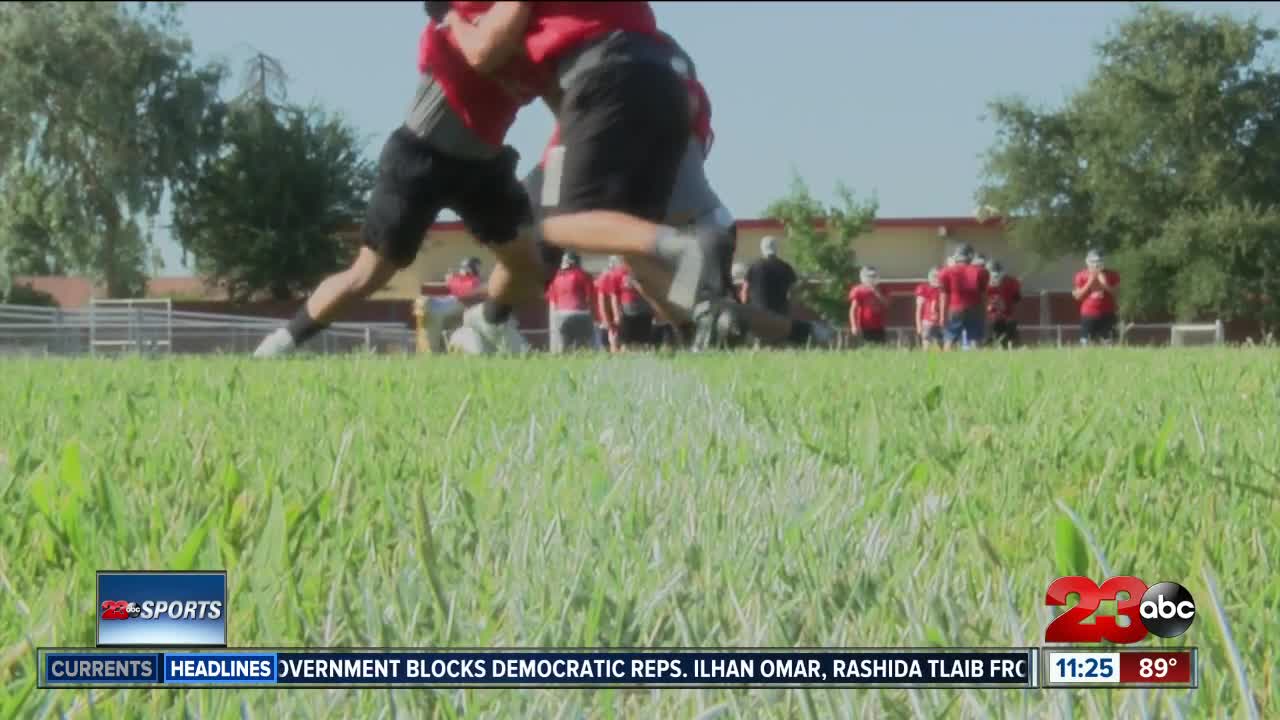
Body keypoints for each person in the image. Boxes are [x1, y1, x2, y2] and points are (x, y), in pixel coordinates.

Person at [253, 4, 544, 358]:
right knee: (368, 274)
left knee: (528, 261)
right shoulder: (466, 20)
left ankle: (491, 320)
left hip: (483, 167)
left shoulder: (545, 34)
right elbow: (474, 51)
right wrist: (452, 16)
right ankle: (282, 344)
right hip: (421, 157)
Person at [445, 1, 733, 344]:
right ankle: (701, 323)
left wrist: (447, 16)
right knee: (640, 261)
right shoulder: (660, 51)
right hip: (697, 207)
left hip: (615, 114)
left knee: (540, 223)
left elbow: (484, 53)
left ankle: (491, 319)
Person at [419, 256, 488, 352]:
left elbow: (464, 291)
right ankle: (435, 348)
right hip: (450, 302)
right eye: (464, 268)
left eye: (466, 268)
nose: (464, 271)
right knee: (433, 309)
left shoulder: (473, 281)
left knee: (434, 310)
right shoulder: (459, 279)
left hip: (458, 303)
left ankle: (435, 348)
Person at [937, 244, 990, 350]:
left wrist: (942, 316)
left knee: (950, 338)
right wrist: (985, 312)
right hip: (975, 307)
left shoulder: (946, 272)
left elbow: (944, 295)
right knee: (975, 338)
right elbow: (984, 295)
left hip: (955, 308)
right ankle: (977, 363)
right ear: (971, 256)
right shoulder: (981, 272)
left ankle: (944, 362)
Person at [545, 251, 596, 352]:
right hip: (581, 313)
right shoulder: (584, 275)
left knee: (564, 347)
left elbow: (553, 302)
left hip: (561, 314)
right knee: (583, 347)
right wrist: (595, 317)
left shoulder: (554, 277)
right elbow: (590, 298)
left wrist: (554, 322)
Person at [1073, 249, 1120, 345]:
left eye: (1098, 261)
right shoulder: (1081, 275)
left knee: (1109, 341)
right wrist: (1090, 282)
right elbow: (1077, 296)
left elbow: (1117, 293)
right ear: (1088, 262)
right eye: (1093, 262)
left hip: (1108, 312)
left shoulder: (1111, 274)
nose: (1096, 265)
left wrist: (1105, 284)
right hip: (1088, 314)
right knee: (1086, 342)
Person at [608, 262, 655, 351]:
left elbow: (653, 292)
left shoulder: (646, 271)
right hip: (627, 312)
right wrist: (616, 314)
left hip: (644, 312)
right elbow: (614, 296)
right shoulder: (618, 273)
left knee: (642, 343)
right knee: (625, 343)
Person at [848, 266, 889, 345]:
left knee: (881, 348)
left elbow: (886, 304)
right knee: (867, 347)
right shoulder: (858, 290)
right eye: (870, 276)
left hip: (879, 325)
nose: (872, 278)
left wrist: (877, 292)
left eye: (874, 276)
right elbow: (853, 309)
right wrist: (853, 325)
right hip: (864, 325)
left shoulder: (882, 288)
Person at [986, 260, 1022, 348]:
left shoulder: (984, 283)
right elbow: (1017, 299)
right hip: (1007, 318)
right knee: (1011, 344)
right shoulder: (1012, 282)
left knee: (989, 344)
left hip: (991, 320)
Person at [915, 268, 943, 349]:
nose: (936, 279)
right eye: (934, 276)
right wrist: (919, 326)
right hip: (927, 322)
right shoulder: (923, 288)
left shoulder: (943, 290)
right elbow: (918, 309)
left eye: (938, 276)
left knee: (941, 347)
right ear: (929, 277)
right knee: (926, 346)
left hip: (940, 322)